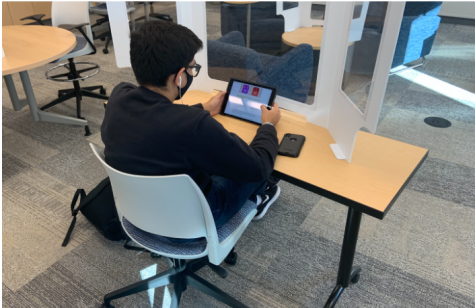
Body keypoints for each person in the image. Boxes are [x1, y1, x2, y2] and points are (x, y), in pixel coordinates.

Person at [101, 21, 281, 235]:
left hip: (138, 211)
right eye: (193, 69)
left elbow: (158, 119)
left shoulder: (119, 96)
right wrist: (269, 125)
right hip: (192, 224)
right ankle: (260, 197)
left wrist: (203, 107)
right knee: (256, 164)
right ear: (179, 77)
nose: (192, 74)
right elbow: (258, 166)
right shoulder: (194, 126)